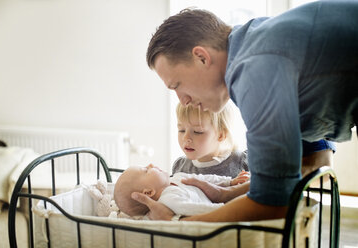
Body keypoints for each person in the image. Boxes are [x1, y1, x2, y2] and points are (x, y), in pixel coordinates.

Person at [132, 0, 358, 222]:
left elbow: (274, 204)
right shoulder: (256, 42)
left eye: (177, 85)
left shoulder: (254, 71)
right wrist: (226, 194)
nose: (183, 100)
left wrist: (176, 224)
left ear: (201, 57)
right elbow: (315, 163)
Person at [113, 164, 249, 217]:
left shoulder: (177, 177)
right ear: (148, 192)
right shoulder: (168, 199)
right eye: (146, 170)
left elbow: (204, 179)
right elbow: (195, 209)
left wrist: (229, 181)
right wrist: (225, 208)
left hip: (223, 200)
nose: (150, 165)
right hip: (220, 210)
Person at [173, 101, 249, 179]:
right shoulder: (179, 166)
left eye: (197, 132)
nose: (185, 138)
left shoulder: (242, 162)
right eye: (181, 130)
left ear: (221, 135)